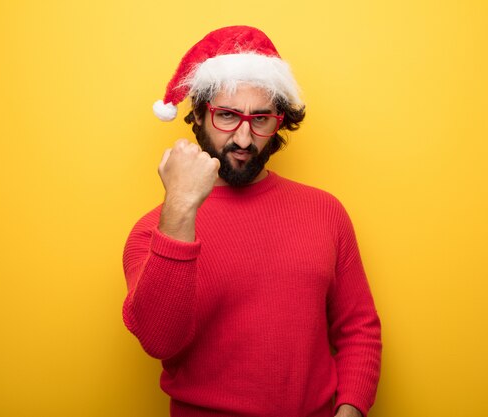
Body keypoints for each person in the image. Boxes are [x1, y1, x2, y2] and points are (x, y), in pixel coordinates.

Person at [122, 26, 381, 417]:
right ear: (198, 115)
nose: (244, 138)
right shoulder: (152, 231)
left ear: (279, 122)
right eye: (226, 115)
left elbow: (358, 328)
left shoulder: (326, 212)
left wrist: (350, 411)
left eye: (260, 119)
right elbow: (159, 341)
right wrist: (179, 207)